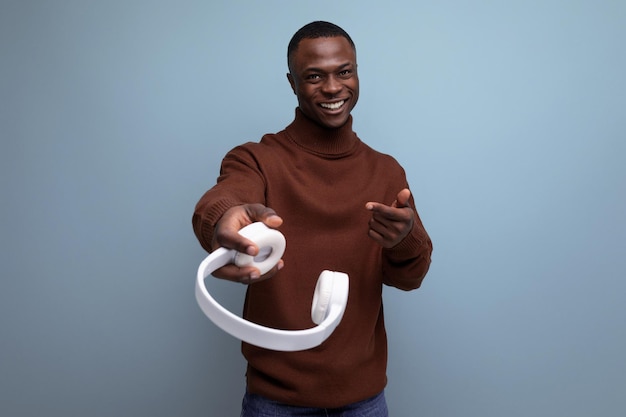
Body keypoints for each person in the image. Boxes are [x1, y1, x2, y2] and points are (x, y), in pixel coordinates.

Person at [192, 21, 432, 416]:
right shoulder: (257, 159)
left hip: (365, 401)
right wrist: (224, 218)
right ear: (292, 83)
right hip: (275, 402)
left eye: (345, 72)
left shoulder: (387, 172)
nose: (334, 88)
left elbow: (412, 277)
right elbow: (225, 198)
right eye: (314, 76)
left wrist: (403, 239)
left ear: (357, 72)